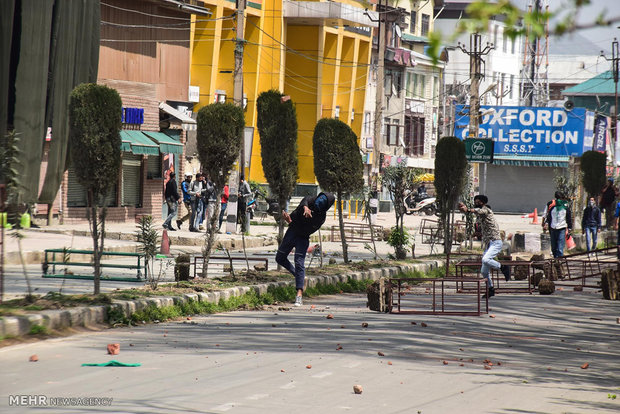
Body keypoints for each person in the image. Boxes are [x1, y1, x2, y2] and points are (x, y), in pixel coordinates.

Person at [276, 192, 335, 306]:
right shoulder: (310, 200)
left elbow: (303, 230)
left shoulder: (320, 218)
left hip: (302, 237)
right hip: (291, 233)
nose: (319, 202)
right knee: (280, 258)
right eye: (319, 199)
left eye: (323, 202)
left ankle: (299, 294)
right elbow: (305, 200)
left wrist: (289, 221)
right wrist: (305, 207)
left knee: (299, 263)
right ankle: (300, 277)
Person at [458, 195, 510, 298]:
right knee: (484, 271)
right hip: (488, 244)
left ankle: (503, 267)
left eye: (478, 202)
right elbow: (474, 212)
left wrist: (468, 209)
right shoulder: (480, 217)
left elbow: (478, 211)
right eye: (475, 201)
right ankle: (490, 289)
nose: (476, 203)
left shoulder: (487, 210)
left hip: (495, 242)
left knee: (486, 259)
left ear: (483, 203)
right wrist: (464, 209)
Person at [543, 191, 572, 258]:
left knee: (560, 248)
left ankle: (559, 262)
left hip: (561, 229)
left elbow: (568, 218)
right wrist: (546, 223)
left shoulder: (565, 208)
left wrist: (569, 229)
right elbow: (549, 217)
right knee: (553, 247)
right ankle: (555, 260)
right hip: (553, 229)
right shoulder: (552, 207)